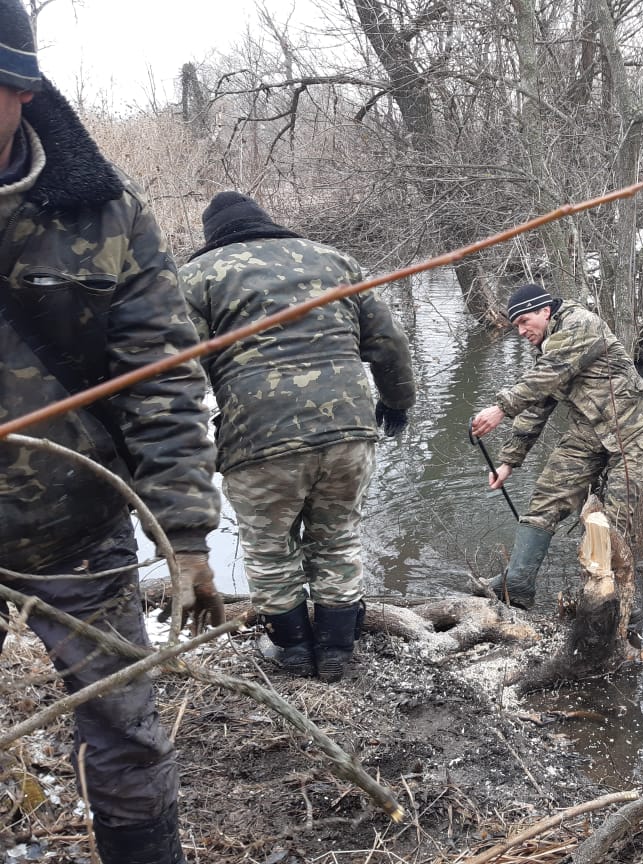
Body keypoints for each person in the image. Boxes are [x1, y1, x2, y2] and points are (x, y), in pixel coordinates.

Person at [0, 3, 223, 861]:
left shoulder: (104, 210)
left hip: (77, 526)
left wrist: (188, 534)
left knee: (127, 737)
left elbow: (162, 381)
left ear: (22, 90)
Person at [179, 191, 416, 683]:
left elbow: (176, 371)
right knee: (337, 536)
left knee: (269, 547)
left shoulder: (196, 278)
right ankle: (335, 650)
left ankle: (292, 650)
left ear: (212, 236)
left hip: (257, 438)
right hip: (349, 430)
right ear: (266, 223)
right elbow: (389, 341)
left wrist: (183, 441)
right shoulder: (336, 261)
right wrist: (397, 402)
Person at [470, 284, 643, 641]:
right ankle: (520, 584)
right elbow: (539, 404)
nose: (522, 331)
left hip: (630, 432)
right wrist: (509, 461)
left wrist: (500, 407)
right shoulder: (549, 346)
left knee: (620, 526)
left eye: (525, 321)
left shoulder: (580, 324)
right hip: (588, 431)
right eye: (516, 327)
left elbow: (545, 378)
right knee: (545, 499)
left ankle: (629, 615)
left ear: (544, 311)